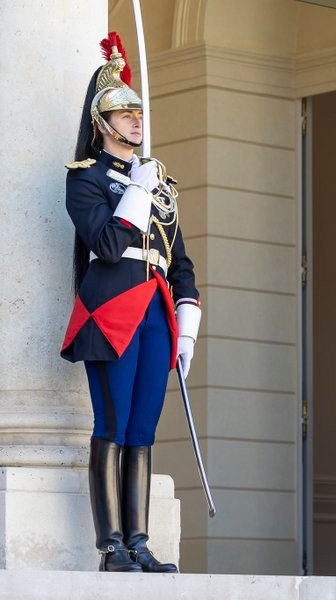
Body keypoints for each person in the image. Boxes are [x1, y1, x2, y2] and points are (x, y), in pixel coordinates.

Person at [60, 33, 199, 573]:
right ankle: (110, 546)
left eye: (138, 111)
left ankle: (139, 541)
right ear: (102, 124)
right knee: (113, 426)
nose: (136, 120)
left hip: (155, 315)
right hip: (111, 313)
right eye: (124, 112)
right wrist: (138, 190)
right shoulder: (86, 181)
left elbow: (179, 260)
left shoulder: (159, 184)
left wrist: (186, 327)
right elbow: (108, 244)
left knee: (143, 428)